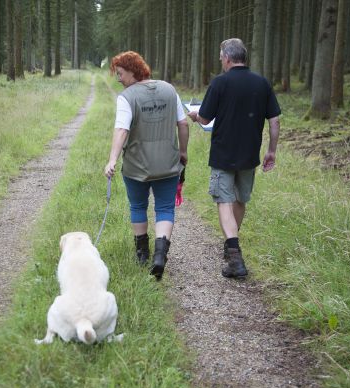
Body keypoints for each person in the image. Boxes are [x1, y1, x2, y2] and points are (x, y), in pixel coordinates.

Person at [187, 38, 280, 279]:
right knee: (240, 200)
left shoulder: (220, 83)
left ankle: (234, 254)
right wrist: (271, 150)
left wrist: (195, 116)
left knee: (224, 201)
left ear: (228, 58)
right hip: (250, 154)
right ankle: (232, 246)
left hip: (223, 153)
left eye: (220, 57)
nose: (220, 60)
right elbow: (275, 120)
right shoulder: (262, 83)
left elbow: (206, 120)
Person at [104, 51, 189, 280]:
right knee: (164, 208)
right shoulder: (169, 90)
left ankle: (142, 255)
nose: (118, 79)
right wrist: (182, 152)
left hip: (136, 167)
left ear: (133, 71)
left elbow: (122, 129)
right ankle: (160, 256)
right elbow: (182, 124)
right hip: (168, 164)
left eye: (120, 74)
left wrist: (112, 159)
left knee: (138, 206)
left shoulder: (127, 97)